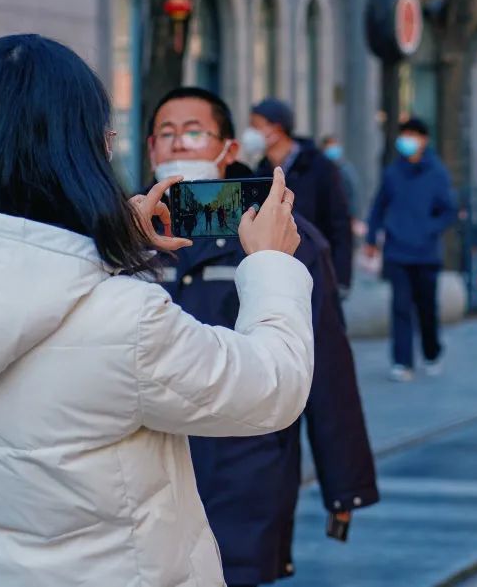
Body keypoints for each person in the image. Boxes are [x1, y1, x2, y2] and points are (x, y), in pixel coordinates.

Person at [0, 34, 312, 587]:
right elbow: (270, 390)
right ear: (73, 151)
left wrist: (111, 247)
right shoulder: (124, 320)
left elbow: (25, 283)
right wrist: (269, 265)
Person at [146, 87, 379, 587]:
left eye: (193, 133)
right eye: (166, 135)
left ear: (228, 149)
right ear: (149, 150)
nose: (178, 146)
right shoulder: (126, 237)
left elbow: (327, 370)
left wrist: (346, 487)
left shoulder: (280, 238)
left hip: (246, 467)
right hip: (150, 467)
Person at [365, 118, 458, 382]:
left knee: (426, 308)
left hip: (426, 254)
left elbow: (449, 210)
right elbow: (378, 206)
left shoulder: (437, 173)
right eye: (403, 135)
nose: (406, 140)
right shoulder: (393, 172)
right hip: (397, 252)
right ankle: (402, 361)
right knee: (401, 307)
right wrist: (372, 239)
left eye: (412, 135)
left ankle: (431, 352)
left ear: (423, 140)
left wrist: (429, 228)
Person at [246, 99, 353, 292]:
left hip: (316, 270)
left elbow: (339, 223)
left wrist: (341, 278)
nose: (250, 134)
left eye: (256, 126)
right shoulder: (260, 171)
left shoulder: (319, 166)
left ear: (276, 129)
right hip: (276, 272)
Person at [320, 134, 360, 225]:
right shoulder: (320, 170)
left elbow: (352, 192)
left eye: (335, 145)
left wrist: (353, 215)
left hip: (342, 215)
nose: (333, 150)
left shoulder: (345, 169)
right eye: (330, 146)